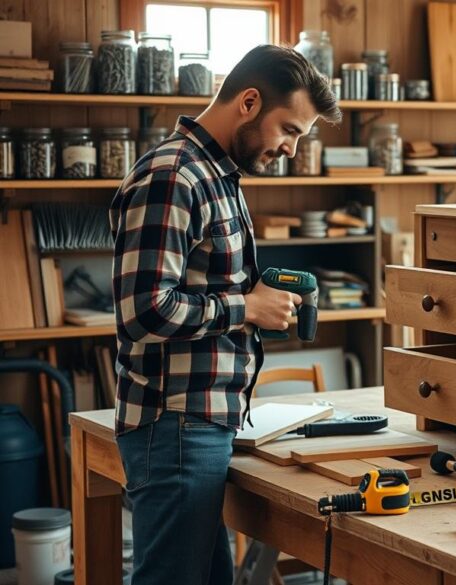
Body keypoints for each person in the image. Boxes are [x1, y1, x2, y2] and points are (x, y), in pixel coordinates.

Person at [108, 45, 342, 584]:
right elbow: (142, 312)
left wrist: (250, 295)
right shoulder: (173, 177)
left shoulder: (217, 176)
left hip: (204, 424)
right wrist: (247, 307)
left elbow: (197, 283)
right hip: (175, 426)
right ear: (250, 101)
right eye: (290, 130)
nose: (290, 148)